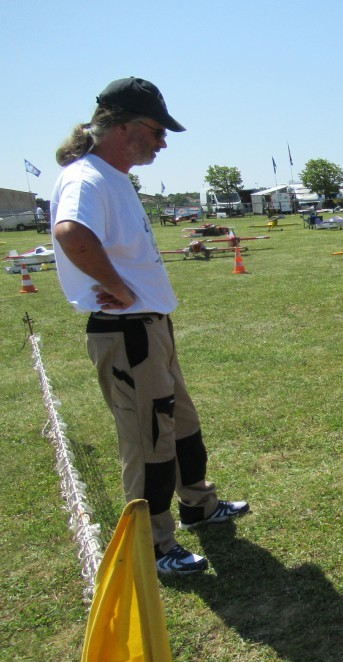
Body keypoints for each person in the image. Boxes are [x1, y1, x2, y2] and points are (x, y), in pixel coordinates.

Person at [50, 77, 249, 575]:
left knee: (181, 424)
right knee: (148, 440)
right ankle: (155, 546)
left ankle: (199, 506)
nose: (163, 142)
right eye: (158, 131)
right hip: (126, 330)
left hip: (150, 326)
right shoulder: (87, 177)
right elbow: (71, 232)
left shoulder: (112, 176)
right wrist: (115, 286)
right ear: (125, 126)